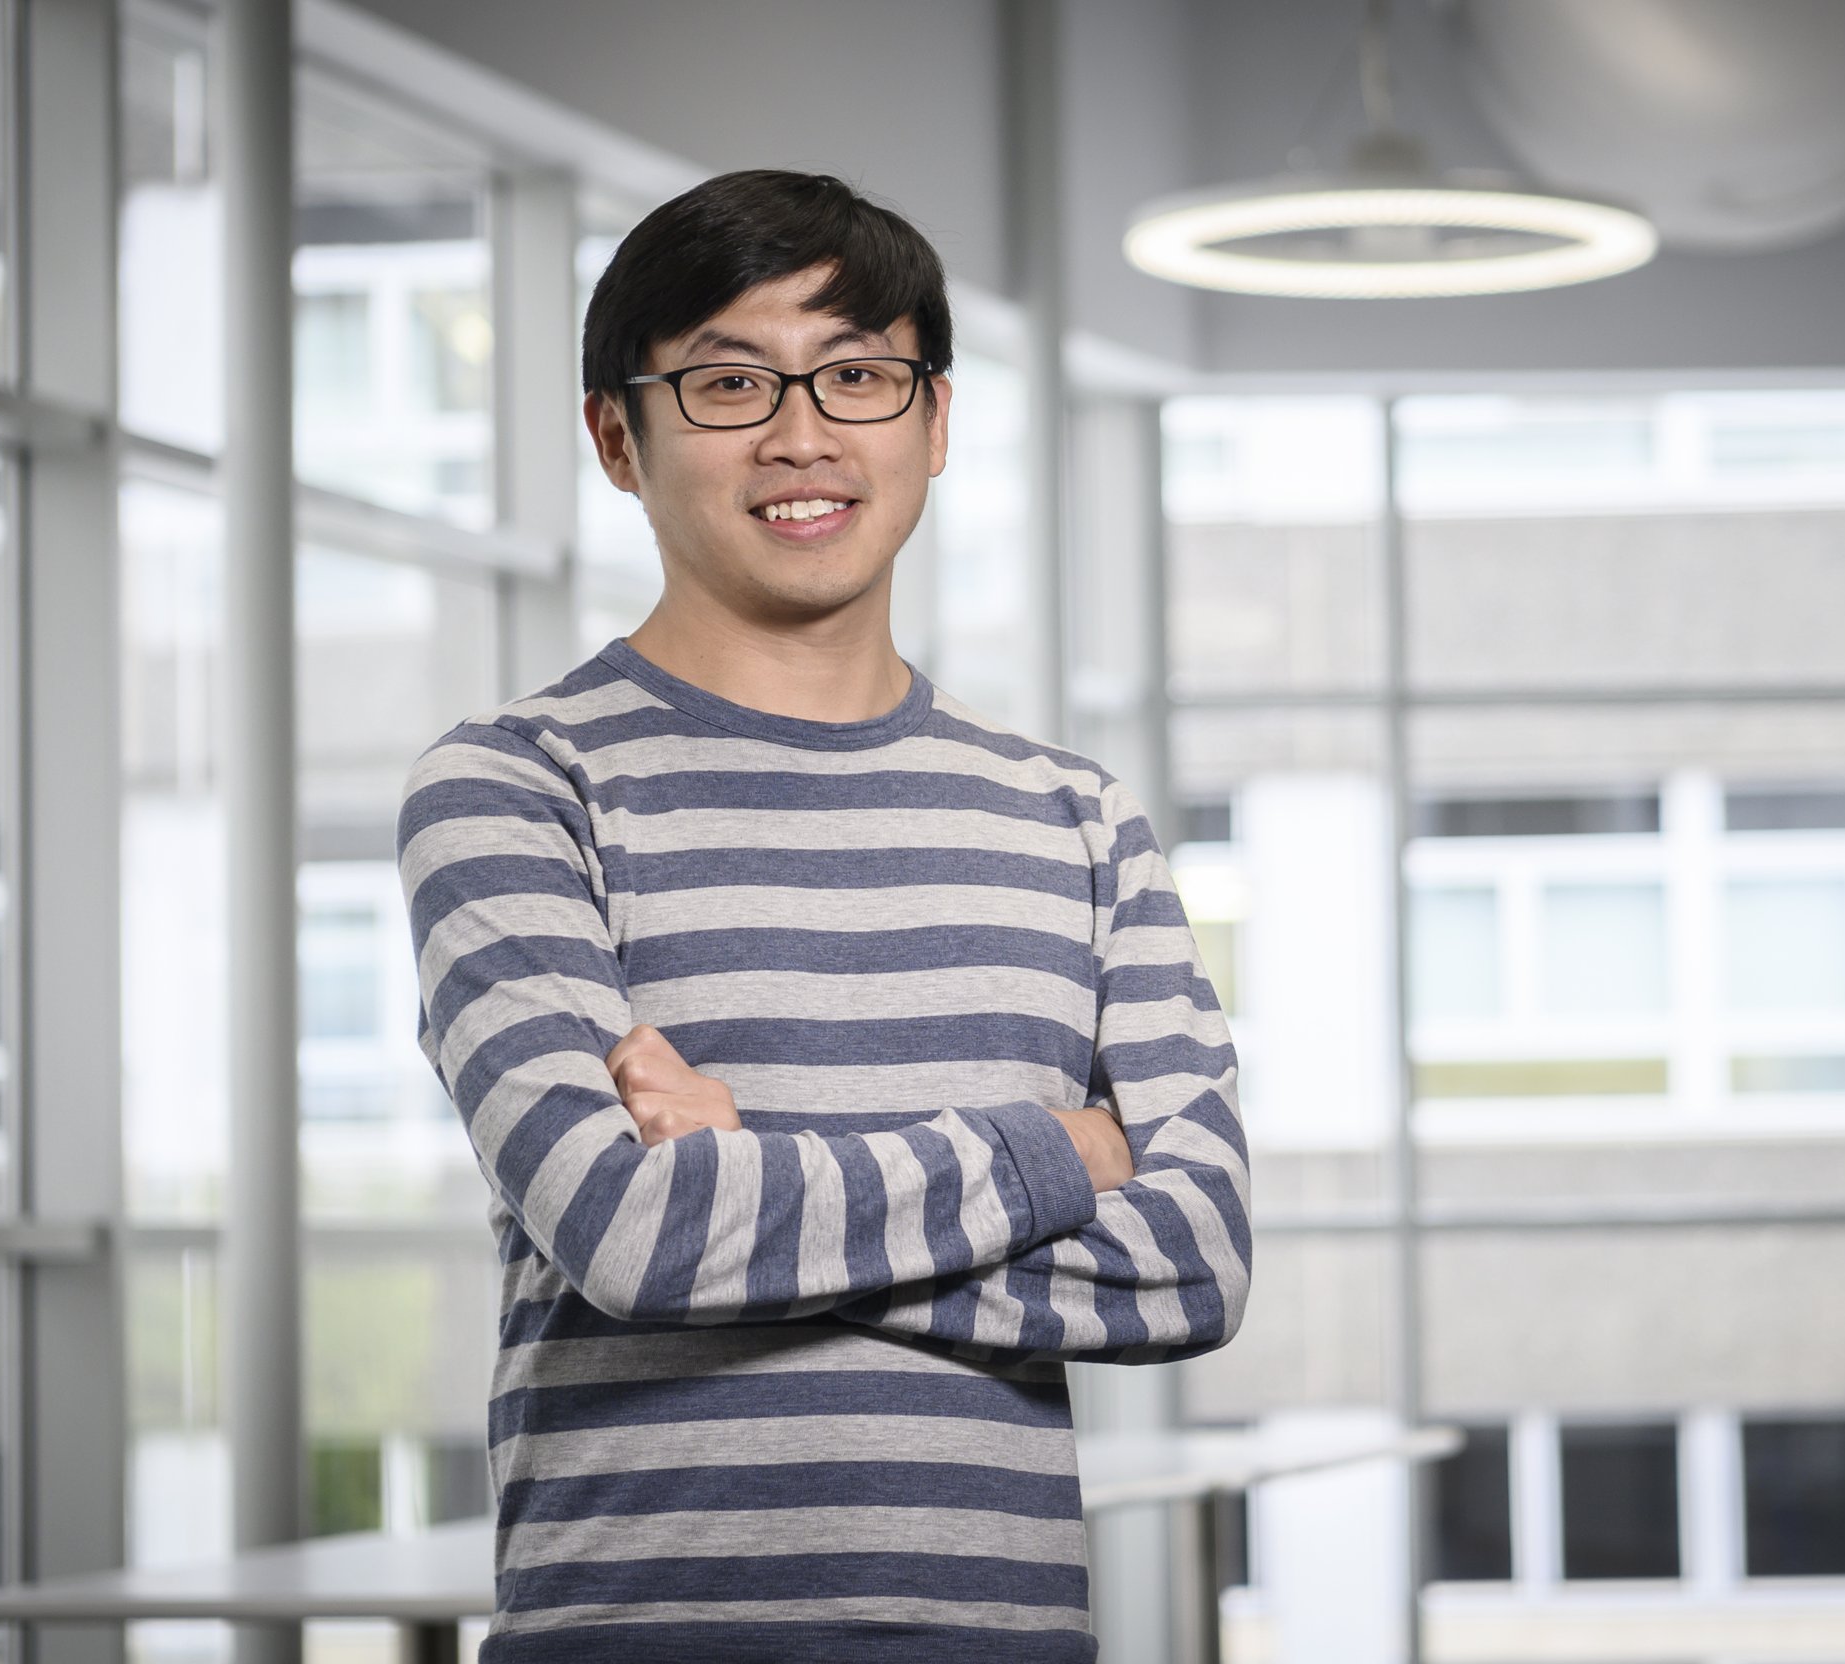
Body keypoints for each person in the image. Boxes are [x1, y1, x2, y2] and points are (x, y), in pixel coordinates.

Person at [394, 167, 1251, 1664]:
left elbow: (1194, 1261)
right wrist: (1066, 1152)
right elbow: (630, 1234)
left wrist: (749, 1191)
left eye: (858, 374)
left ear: (933, 419)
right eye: (730, 382)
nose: (803, 435)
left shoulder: (1076, 818)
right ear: (619, 435)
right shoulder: (518, 790)